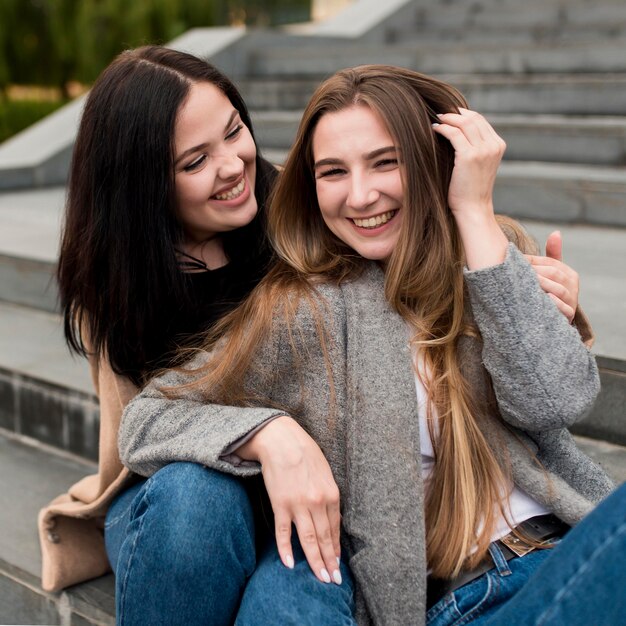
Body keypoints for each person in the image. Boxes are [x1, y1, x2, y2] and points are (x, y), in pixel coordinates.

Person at [38, 46, 585, 622]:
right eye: (195, 161)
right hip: (190, 491)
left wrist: (517, 285)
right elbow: (149, 418)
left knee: (295, 588)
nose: (231, 166)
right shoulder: (125, 273)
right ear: (144, 186)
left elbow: (413, 243)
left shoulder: (307, 224)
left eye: (234, 132)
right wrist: (268, 433)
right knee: (198, 497)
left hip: (324, 506)